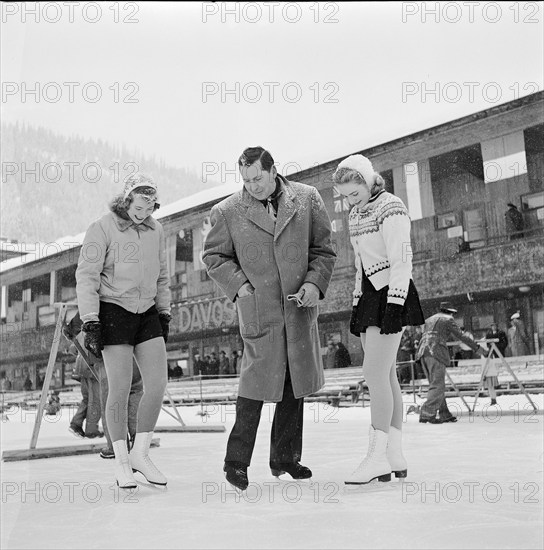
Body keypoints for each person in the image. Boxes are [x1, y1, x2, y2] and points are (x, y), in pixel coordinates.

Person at [202, 146, 336, 491]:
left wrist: (313, 284)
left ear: (273, 169)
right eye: (246, 181)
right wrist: (241, 288)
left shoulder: (307, 199)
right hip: (259, 310)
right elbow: (214, 257)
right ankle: (236, 463)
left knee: (295, 384)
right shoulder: (228, 211)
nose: (252, 186)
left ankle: (285, 459)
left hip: (298, 307)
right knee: (254, 387)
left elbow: (323, 250)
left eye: (257, 178)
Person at [333, 154, 425, 485]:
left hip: (391, 293)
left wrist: (394, 305)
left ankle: (376, 458)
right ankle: (394, 455)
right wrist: (358, 301)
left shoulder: (391, 206)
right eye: (344, 197)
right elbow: (360, 263)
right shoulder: (356, 214)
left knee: (373, 373)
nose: (349, 201)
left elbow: (402, 258)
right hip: (370, 296)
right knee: (386, 376)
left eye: (353, 193)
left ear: (368, 179)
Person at [76, 174, 171, 489]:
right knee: (118, 387)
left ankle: (140, 454)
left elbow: (162, 276)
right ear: (126, 200)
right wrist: (91, 320)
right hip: (113, 310)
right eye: (139, 207)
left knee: (157, 384)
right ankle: (120, 462)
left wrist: (164, 311)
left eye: (149, 208)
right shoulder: (102, 228)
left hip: (146, 312)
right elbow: (87, 275)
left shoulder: (156, 230)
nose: (143, 214)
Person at [416, 302, 485, 424]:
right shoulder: (448, 319)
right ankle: (427, 414)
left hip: (422, 353)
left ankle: (444, 414)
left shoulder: (429, 319)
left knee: (435, 384)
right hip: (435, 352)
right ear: (451, 312)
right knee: (438, 385)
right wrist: (477, 348)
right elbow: (461, 336)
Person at [67, 333, 104, 439]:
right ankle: (91, 430)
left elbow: (73, 348)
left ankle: (76, 424)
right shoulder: (96, 324)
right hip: (92, 366)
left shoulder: (82, 328)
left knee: (87, 399)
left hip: (82, 366)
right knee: (96, 400)